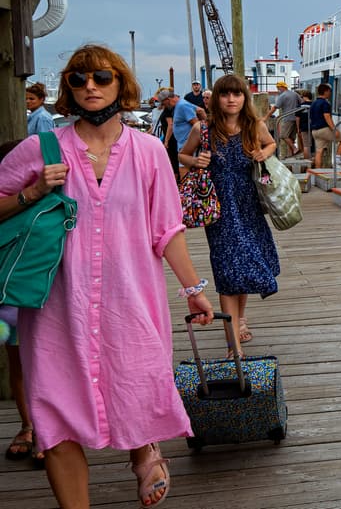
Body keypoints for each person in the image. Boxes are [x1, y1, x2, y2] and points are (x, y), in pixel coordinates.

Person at [0, 44, 214, 508]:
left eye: (101, 77)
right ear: (68, 89)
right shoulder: (40, 149)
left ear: (121, 83)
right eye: (78, 79)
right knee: (55, 419)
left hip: (131, 302)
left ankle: (145, 451)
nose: (90, 86)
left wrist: (193, 289)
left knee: (136, 385)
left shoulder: (150, 151)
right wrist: (32, 191)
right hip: (56, 309)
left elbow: (167, 229)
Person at [179, 74, 279, 350]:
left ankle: (240, 319)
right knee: (227, 270)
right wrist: (196, 161)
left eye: (237, 94)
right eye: (225, 94)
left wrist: (265, 153)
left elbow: (271, 143)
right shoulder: (203, 129)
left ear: (245, 98)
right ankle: (234, 348)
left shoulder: (254, 126)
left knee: (243, 262)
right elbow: (182, 155)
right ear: (216, 99)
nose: (231, 99)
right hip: (219, 208)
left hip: (249, 205)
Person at [0, 139, 48, 468]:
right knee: (18, 359)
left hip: (47, 283)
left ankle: (46, 429)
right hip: (12, 289)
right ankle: (29, 425)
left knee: (48, 360)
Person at [310, 83, 341, 169]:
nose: (330, 93)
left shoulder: (313, 103)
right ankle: (338, 158)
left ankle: (317, 171)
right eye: (329, 91)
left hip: (314, 131)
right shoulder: (325, 103)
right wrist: (334, 129)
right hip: (324, 130)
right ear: (325, 91)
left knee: (319, 151)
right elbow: (327, 117)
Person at [270, 81, 301, 158]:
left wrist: (267, 116)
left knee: (283, 135)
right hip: (296, 118)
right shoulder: (295, 94)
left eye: (278, 88)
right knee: (291, 138)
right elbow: (301, 102)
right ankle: (290, 155)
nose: (278, 89)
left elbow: (275, 107)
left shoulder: (283, 95)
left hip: (287, 118)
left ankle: (295, 148)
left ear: (282, 87)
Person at [296, 89, 313, 160]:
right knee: (315, 145)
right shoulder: (314, 104)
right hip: (314, 127)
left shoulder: (300, 106)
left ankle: (306, 160)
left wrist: (298, 128)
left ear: (305, 97)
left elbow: (297, 118)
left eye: (302, 97)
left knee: (306, 145)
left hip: (304, 127)